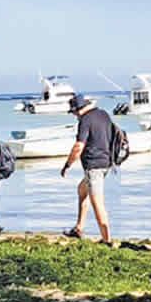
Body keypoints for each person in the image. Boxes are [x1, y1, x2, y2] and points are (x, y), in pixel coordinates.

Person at [60, 94, 113, 243]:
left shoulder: (85, 120)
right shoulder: (103, 114)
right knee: (82, 190)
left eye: (74, 112)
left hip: (93, 166)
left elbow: (78, 147)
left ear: (79, 109)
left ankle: (106, 240)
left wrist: (67, 165)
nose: (75, 116)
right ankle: (79, 228)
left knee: (98, 203)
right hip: (106, 163)